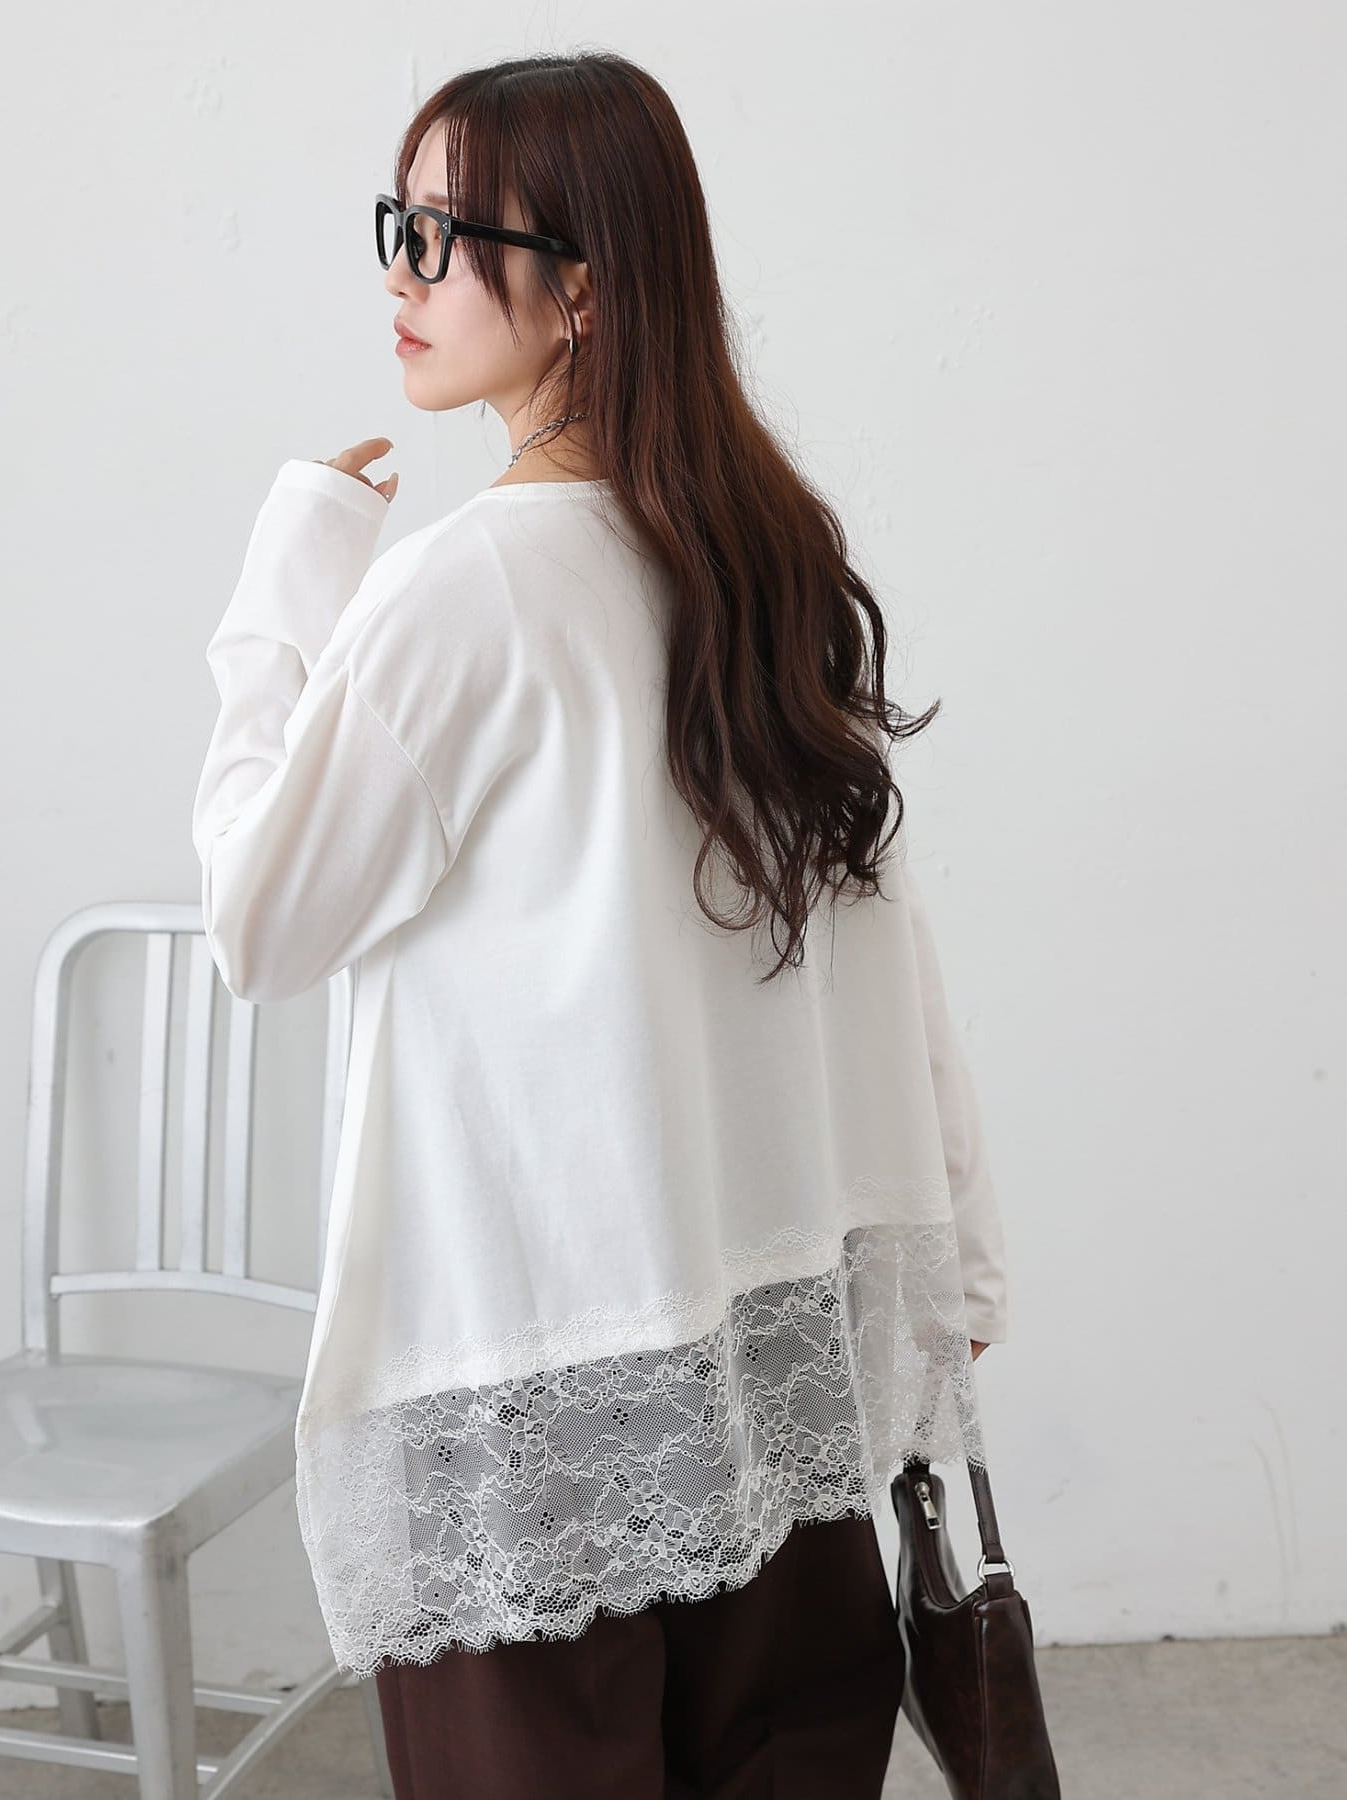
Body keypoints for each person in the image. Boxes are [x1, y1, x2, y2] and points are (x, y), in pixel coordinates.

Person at [192, 49, 1009, 1800]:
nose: (402, 273)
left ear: (584, 290)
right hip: (770, 1363)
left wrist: (282, 602)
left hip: (533, 1399)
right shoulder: (765, 558)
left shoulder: (462, 587)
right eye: (395, 224)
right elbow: (884, 935)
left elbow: (261, 923)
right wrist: (958, 1251)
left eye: (447, 234)